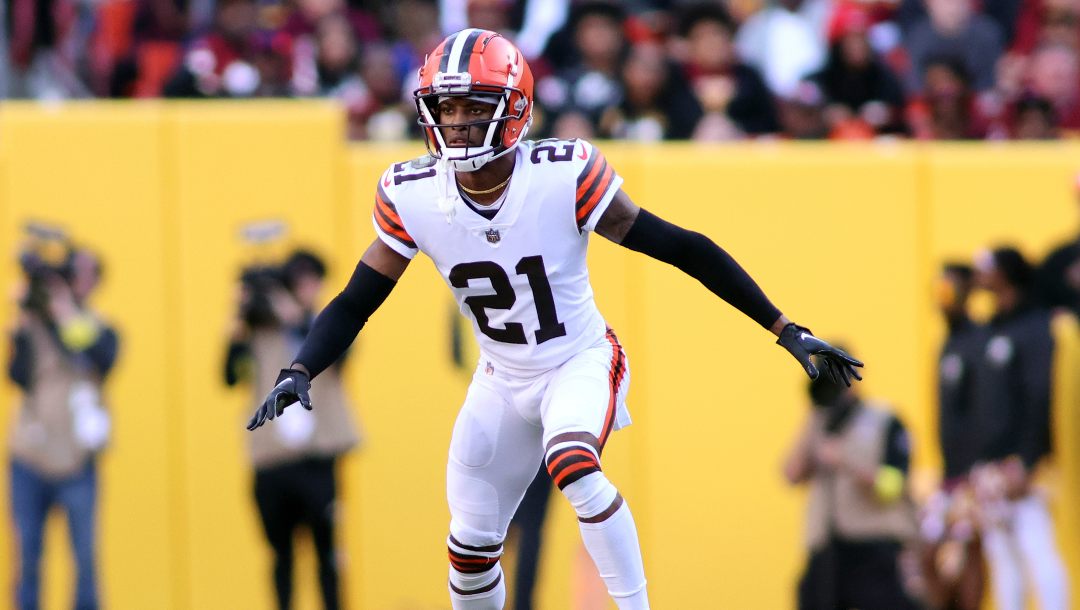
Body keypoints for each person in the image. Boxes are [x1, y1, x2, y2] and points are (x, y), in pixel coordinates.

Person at [246, 29, 863, 609]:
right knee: (469, 545)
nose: (457, 122)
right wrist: (302, 366)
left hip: (579, 360)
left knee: (572, 462)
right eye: (448, 107)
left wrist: (783, 326)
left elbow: (683, 247)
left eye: (473, 106)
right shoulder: (411, 191)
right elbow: (358, 297)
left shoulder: (562, 174)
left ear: (514, 108)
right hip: (500, 377)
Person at [226, 249, 360, 610]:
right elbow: (228, 374)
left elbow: (343, 354)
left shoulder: (323, 326)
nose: (309, 288)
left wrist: (295, 316)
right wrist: (238, 318)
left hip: (317, 457)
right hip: (272, 459)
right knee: (280, 556)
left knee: (326, 553)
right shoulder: (259, 332)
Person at [7, 244, 119, 610]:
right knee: (28, 558)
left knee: (85, 560)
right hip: (30, 457)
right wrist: (26, 321)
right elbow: (17, 376)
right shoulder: (34, 326)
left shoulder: (99, 328)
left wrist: (62, 310)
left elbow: (100, 354)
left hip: (77, 460)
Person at [969, 247, 1069, 610]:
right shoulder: (993, 328)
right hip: (993, 464)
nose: (982, 275)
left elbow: (1039, 395)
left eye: (990, 267)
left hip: (1025, 464)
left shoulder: (1035, 327)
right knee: (1003, 561)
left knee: (1038, 549)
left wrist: (1026, 460)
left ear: (1009, 273)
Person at [784, 348, 919, 610]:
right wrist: (813, 417)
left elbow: (893, 487)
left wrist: (848, 464)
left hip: (873, 547)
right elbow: (790, 475)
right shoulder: (818, 422)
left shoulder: (884, 419)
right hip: (827, 550)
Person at [920, 263, 986, 610]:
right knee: (926, 553)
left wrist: (978, 470)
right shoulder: (947, 344)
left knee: (972, 548)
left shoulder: (979, 342)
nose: (942, 300)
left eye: (949, 291)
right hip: (949, 471)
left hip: (973, 472)